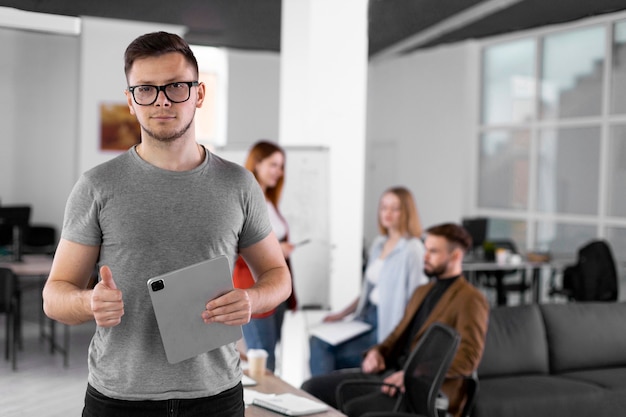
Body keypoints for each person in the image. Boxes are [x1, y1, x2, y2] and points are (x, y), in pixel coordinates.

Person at [42, 31, 291, 417]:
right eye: (146, 89)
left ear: (199, 94)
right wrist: (88, 302)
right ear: (130, 100)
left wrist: (251, 299)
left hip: (216, 398)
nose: (161, 100)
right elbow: (54, 296)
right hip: (119, 399)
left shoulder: (239, 184)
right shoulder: (96, 186)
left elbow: (277, 274)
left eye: (176, 86)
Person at [301, 223, 490, 417]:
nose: (425, 256)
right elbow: (397, 335)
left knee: (356, 408)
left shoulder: (470, 299)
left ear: (456, 256)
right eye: (425, 249)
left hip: (422, 390)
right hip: (390, 374)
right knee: (310, 388)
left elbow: (468, 359)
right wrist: (377, 352)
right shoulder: (422, 292)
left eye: (433, 251)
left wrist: (416, 375)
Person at [308, 186, 428, 376]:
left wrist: (399, 342)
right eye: (383, 207)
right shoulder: (379, 244)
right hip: (366, 317)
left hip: (388, 325)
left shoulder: (412, 249)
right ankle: (323, 397)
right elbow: (368, 290)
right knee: (317, 341)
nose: (387, 213)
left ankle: (321, 400)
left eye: (394, 208)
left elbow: (417, 298)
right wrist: (341, 314)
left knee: (326, 351)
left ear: (406, 211)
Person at [233, 140, 297, 373]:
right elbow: (235, 249)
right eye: (273, 165)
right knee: (262, 360)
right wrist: (278, 250)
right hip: (254, 288)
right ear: (257, 164)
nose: (279, 172)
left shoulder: (269, 200)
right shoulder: (245, 199)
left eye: (281, 166)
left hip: (276, 290)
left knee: (271, 357)